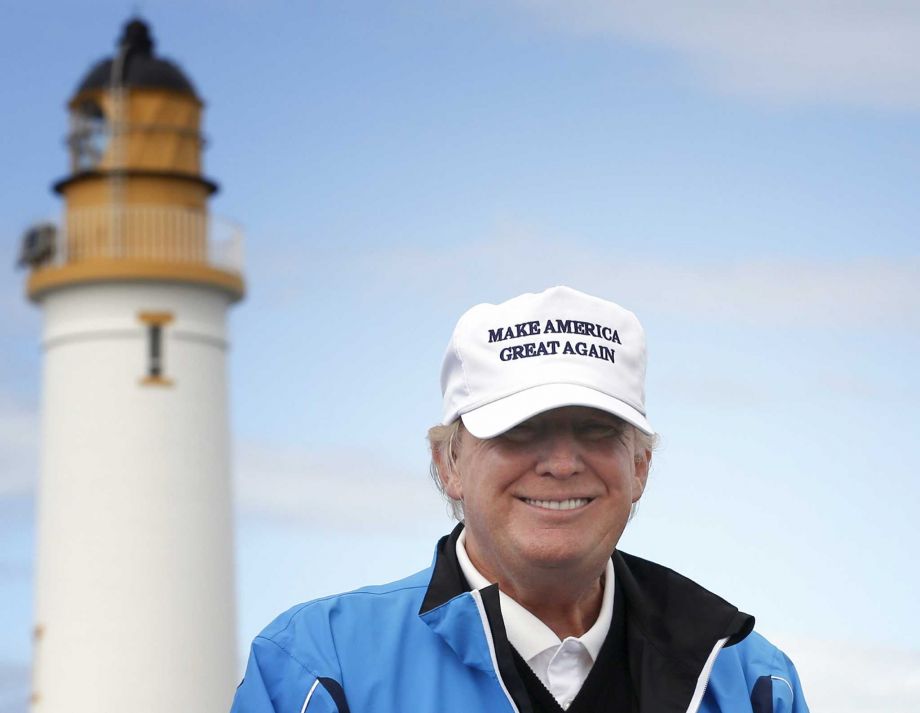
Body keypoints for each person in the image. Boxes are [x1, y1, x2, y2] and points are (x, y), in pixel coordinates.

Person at [231, 286, 808, 713]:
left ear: (641, 467)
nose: (561, 463)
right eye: (519, 431)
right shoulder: (319, 666)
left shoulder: (750, 680)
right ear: (448, 463)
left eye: (597, 430)